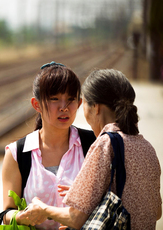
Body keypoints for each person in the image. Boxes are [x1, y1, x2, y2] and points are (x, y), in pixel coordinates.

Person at [19, 69, 162, 230]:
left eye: (84, 103)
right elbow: (156, 212)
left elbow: (75, 218)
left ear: (96, 107)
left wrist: (42, 209)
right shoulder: (146, 147)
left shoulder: (104, 144)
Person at [2, 61, 96, 229]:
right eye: (54, 99)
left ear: (79, 103)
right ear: (36, 104)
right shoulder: (17, 154)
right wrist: (23, 216)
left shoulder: (93, 145)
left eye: (70, 99)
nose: (64, 107)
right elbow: (7, 213)